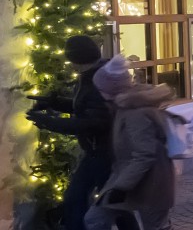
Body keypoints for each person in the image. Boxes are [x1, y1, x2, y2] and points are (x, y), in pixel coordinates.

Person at [26, 36, 136, 230]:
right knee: (100, 202)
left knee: (92, 201)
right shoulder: (92, 74)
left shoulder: (97, 79)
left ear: (75, 58)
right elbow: (85, 108)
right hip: (99, 151)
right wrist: (54, 102)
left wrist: (51, 123)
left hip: (105, 153)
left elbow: (94, 122)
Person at [84, 55, 175, 230]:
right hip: (132, 179)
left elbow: (144, 155)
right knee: (96, 218)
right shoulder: (126, 104)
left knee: (156, 226)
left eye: (101, 89)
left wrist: (120, 187)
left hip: (151, 182)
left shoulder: (135, 112)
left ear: (111, 90)